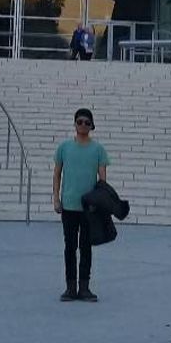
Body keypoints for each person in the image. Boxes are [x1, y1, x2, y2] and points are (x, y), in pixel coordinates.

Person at [53, 107, 109, 302]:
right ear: (75, 124)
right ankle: (70, 287)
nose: (83, 125)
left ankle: (84, 287)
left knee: (86, 247)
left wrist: (101, 202)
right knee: (70, 246)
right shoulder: (64, 147)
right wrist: (55, 197)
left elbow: (102, 180)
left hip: (89, 208)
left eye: (87, 122)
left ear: (92, 125)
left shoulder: (98, 150)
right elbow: (57, 173)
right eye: (79, 122)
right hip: (68, 205)